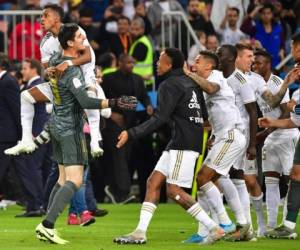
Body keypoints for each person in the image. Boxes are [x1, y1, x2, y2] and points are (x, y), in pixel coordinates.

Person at [35, 23, 137, 244]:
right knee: (75, 180)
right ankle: (47, 225)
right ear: (70, 42)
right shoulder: (70, 69)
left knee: (62, 180)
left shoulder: (55, 63)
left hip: (57, 125)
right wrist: (114, 102)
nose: (84, 39)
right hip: (70, 128)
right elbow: (84, 101)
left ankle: (45, 221)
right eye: (80, 37)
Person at [113, 48, 225, 245]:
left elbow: (159, 118)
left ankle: (213, 227)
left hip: (182, 143)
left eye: (161, 60)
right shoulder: (192, 84)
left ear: (170, 64)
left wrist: (131, 133)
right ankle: (140, 232)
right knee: (153, 182)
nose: (157, 63)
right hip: (183, 141)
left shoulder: (169, 85)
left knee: (174, 191)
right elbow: (204, 117)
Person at [5, 4, 103, 158]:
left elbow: (88, 56)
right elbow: (47, 67)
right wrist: (50, 70)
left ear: (56, 19)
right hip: (62, 83)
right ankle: (26, 140)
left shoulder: (74, 30)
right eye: (41, 16)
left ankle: (95, 141)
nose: (41, 19)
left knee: (89, 100)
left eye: (45, 16)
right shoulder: (45, 42)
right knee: (26, 96)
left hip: (84, 76)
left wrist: (67, 63)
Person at [182, 51, 250, 243]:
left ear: (208, 66)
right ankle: (209, 231)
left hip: (231, 136)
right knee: (208, 184)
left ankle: (225, 222)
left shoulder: (216, 77)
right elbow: (213, 115)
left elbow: (212, 89)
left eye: (198, 61)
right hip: (222, 137)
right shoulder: (200, 85)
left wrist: (188, 74)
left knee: (202, 178)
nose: (194, 63)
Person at [259, 33, 300, 239]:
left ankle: (287, 225)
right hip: (281, 135)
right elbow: (291, 118)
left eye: (259, 62)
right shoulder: (259, 84)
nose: (255, 65)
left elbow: (288, 111)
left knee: (293, 177)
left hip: (288, 137)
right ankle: (281, 226)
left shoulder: (280, 84)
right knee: (283, 178)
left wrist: (264, 132)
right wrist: (270, 126)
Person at [101, 53, 153, 203]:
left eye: (132, 63)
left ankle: (113, 188)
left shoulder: (137, 79)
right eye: (128, 63)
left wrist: (148, 105)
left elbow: (144, 96)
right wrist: (111, 115)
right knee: (119, 156)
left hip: (130, 125)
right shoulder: (109, 79)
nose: (131, 65)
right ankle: (123, 192)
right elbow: (100, 99)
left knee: (124, 157)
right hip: (113, 124)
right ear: (120, 63)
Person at [129, 17, 154, 90]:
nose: (134, 32)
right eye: (132, 29)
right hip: (141, 80)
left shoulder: (141, 44)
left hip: (142, 81)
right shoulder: (140, 41)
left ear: (142, 30)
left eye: (137, 29)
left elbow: (130, 63)